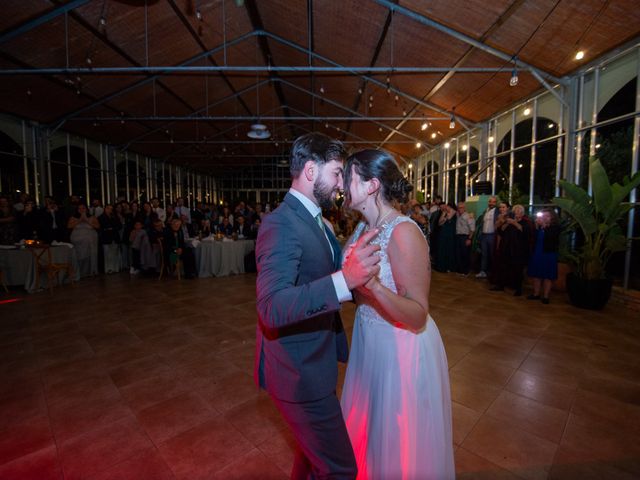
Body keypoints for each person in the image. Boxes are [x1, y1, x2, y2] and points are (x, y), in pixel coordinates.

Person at [254, 133, 381, 480]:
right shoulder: (281, 224)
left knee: (312, 460)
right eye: (337, 173)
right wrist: (344, 281)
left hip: (314, 363)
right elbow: (271, 305)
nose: (341, 183)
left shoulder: (316, 220)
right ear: (311, 171)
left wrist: (354, 280)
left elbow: (319, 278)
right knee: (340, 469)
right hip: (299, 375)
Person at [340, 149, 454, 479]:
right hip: (369, 338)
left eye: (349, 178)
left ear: (372, 185)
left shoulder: (404, 232)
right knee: (369, 427)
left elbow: (418, 314)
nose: (343, 185)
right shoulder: (363, 227)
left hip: (399, 346)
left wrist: (372, 285)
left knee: (396, 436)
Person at [490, 204, 531, 296]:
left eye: (518, 212)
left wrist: (514, 223)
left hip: (518, 250)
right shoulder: (510, 221)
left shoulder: (526, 222)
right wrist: (506, 223)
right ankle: (501, 285)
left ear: (522, 213)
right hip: (507, 248)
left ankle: (518, 289)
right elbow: (501, 231)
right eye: (515, 211)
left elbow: (524, 232)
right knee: (503, 267)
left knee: (518, 270)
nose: (516, 213)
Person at [527, 208, 561, 304]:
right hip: (537, 252)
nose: (545, 218)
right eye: (544, 216)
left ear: (552, 217)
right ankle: (536, 294)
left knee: (547, 276)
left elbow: (551, 238)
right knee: (536, 274)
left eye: (547, 216)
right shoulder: (539, 226)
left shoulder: (555, 227)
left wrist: (544, 226)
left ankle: (546, 296)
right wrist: (537, 227)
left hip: (549, 254)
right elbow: (533, 237)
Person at [67, 204, 99, 277]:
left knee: (90, 255)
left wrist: (87, 220)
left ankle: (90, 271)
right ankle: (79, 272)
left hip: (90, 240)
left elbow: (97, 226)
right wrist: (80, 220)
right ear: (77, 210)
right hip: (78, 241)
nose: (81, 210)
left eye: (83, 208)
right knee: (79, 256)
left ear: (86, 209)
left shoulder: (92, 217)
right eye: (79, 208)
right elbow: (69, 226)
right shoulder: (73, 217)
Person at [475, 195, 498, 278]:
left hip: (492, 235)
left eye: (493, 202)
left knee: (492, 254)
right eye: (490, 201)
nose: (491, 203)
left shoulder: (497, 211)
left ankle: (492, 273)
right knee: (484, 254)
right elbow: (480, 222)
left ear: (496, 203)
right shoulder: (486, 211)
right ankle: (483, 271)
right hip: (484, 235)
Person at [434, 202, 457, 272]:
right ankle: (441, 266)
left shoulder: (455, 213)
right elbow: (439, 223)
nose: (446, 207)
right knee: (442, 249)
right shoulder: (444, 213)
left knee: (449, 249)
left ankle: (449, 267)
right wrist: (444, 216)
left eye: (448, 206)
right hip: (443, 233)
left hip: (451, 234)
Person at [455, 201, 475, 275]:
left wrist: (469, 239)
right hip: (458, 236)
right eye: (458, 208)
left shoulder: (468, 216)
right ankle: (460, 270)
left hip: (465, 237)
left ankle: (466, 271)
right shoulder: (458, 215)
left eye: (461, 208)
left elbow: (472, 229)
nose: (459, 209)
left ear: (464, 208)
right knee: (459, 254)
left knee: (465, 254)